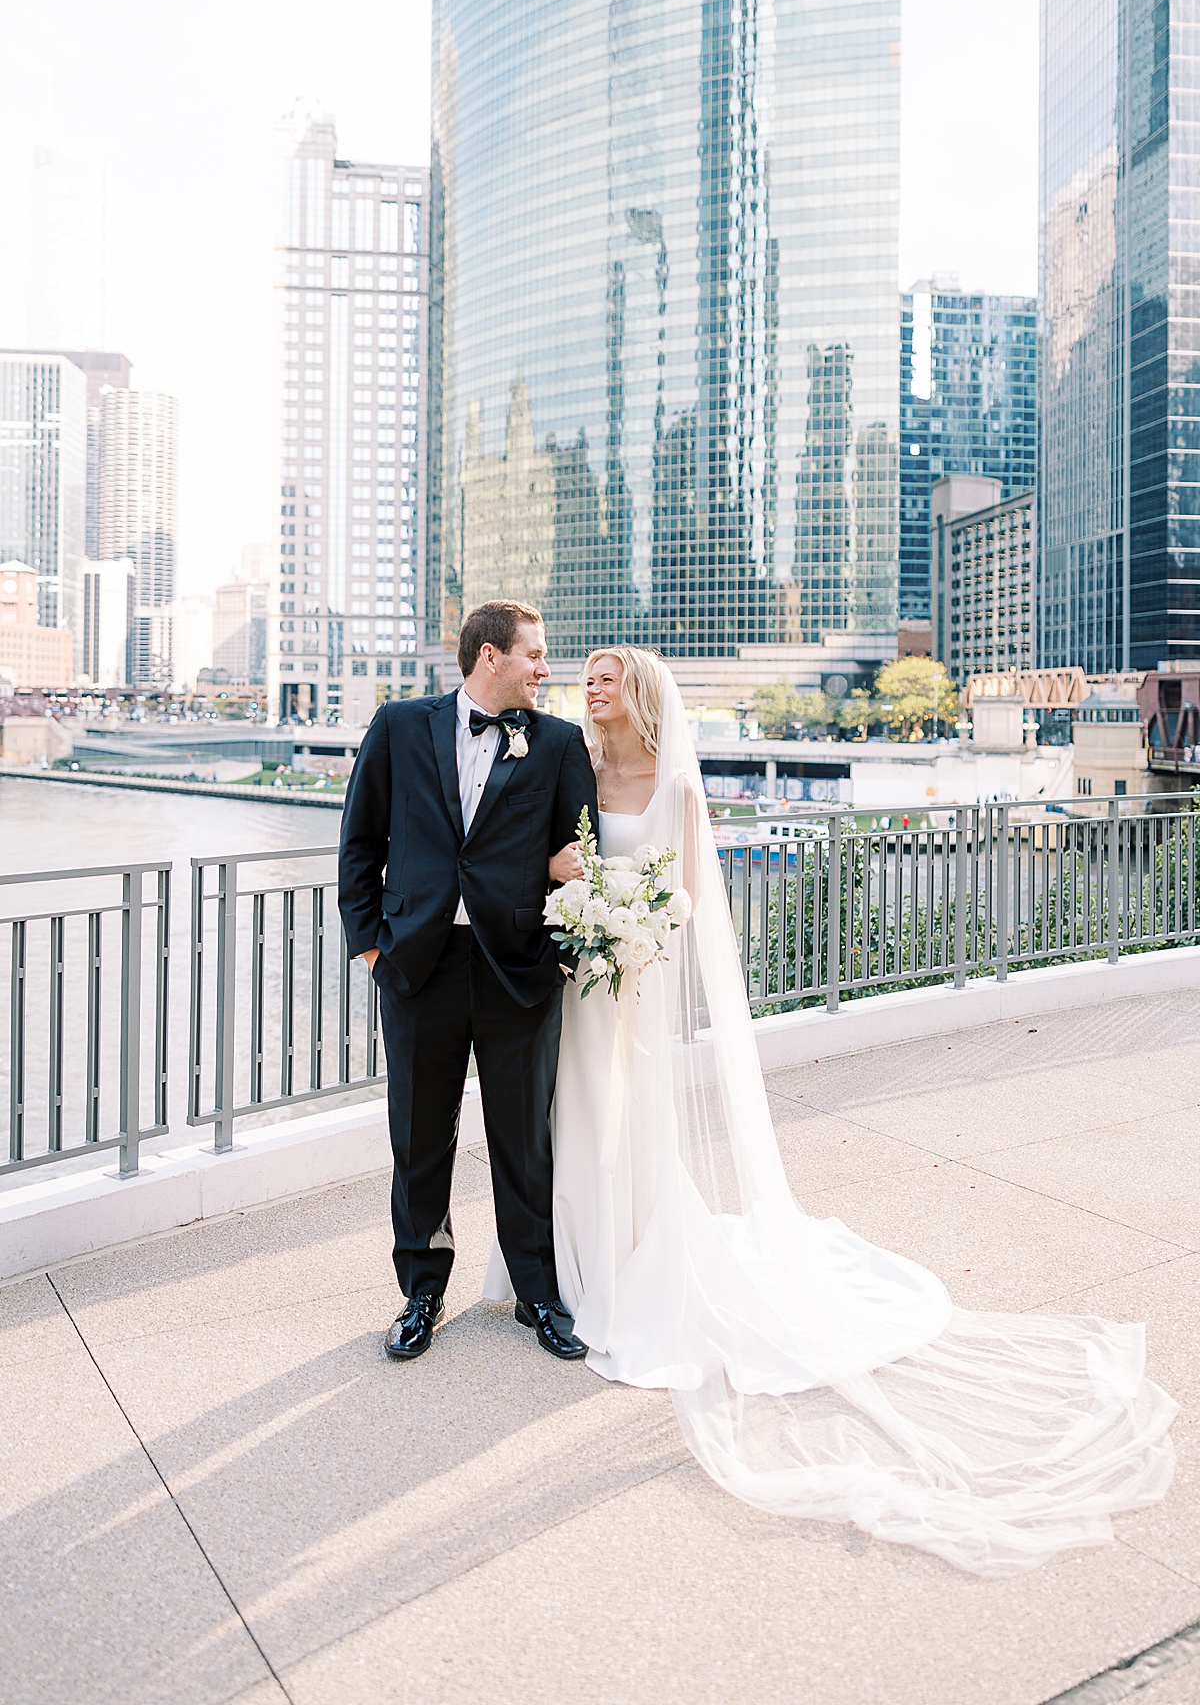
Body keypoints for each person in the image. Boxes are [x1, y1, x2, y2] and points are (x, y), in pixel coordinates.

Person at [486, 647, 1179, 1576]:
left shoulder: (676, 785)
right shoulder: (573, 760)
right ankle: (558, 1264)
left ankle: (622, 1263)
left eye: (607, 678)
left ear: (641, 694)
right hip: (581, 975)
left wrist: (635, 924)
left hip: (636, 975)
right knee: (569, 1114)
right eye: (589, 679)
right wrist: (585, 916)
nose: (591, 687)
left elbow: (689, 895)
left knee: (631, 1123)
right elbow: (547, 858)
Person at [338, 599, 597, 1363]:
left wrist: (561, 955)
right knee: (420, 1138)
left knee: (525, 1139)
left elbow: (582, 860)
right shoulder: (397, 727)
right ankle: (420, 1292)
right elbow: (359, 842)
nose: (546, 670)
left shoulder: (558, 743)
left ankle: (538, 1295)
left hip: (521, 969)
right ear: (491, 657)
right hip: (419, 968)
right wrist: (372, 949)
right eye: (536, 656)